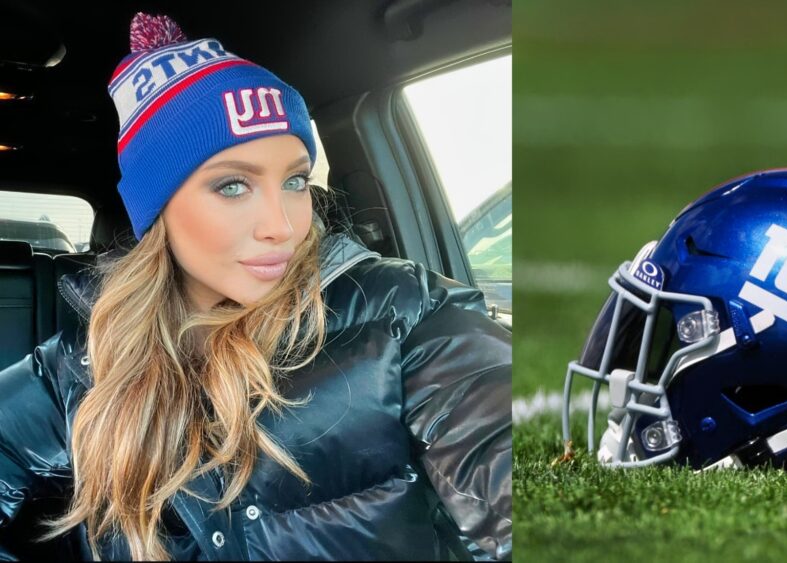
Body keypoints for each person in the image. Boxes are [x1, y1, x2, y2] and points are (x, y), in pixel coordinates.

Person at [0, 13, 511, 561]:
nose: (285, 225)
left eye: (294, 181)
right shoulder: (82, 364)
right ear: (159, 212)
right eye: (233, 184)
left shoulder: (403, 310)